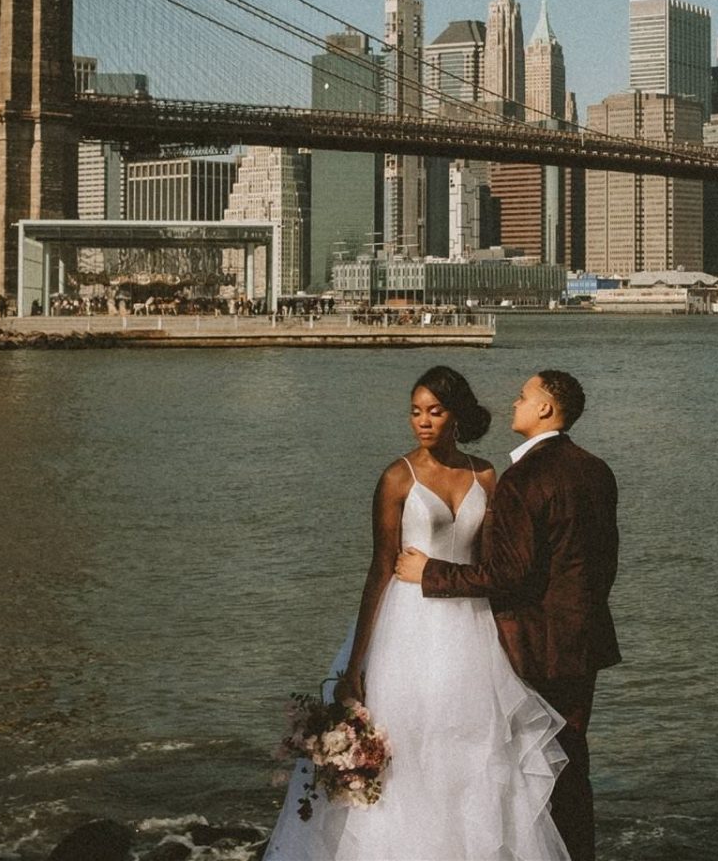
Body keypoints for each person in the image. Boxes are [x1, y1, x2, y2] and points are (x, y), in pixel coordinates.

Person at [265, 366, 570, 861]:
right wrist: (354, 665)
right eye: (415, 412)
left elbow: (497, 565)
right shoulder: (395, 478)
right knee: (406, 747)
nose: (422, 422)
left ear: (457, 417)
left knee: (469, 748)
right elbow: (378, 570)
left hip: (470, 630)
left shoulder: (486, 475)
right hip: (406, 629)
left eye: (435, 411)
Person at [395, 371, 618, 861]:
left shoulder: (523, 478)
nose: (514, 403)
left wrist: (431, 571)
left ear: (545, 410)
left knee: (528, 763)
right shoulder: (596, 469)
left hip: (532, 645)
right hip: (584, 641)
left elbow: (507, 574)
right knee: (570, 762)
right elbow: (604, 560)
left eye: (522, 396)